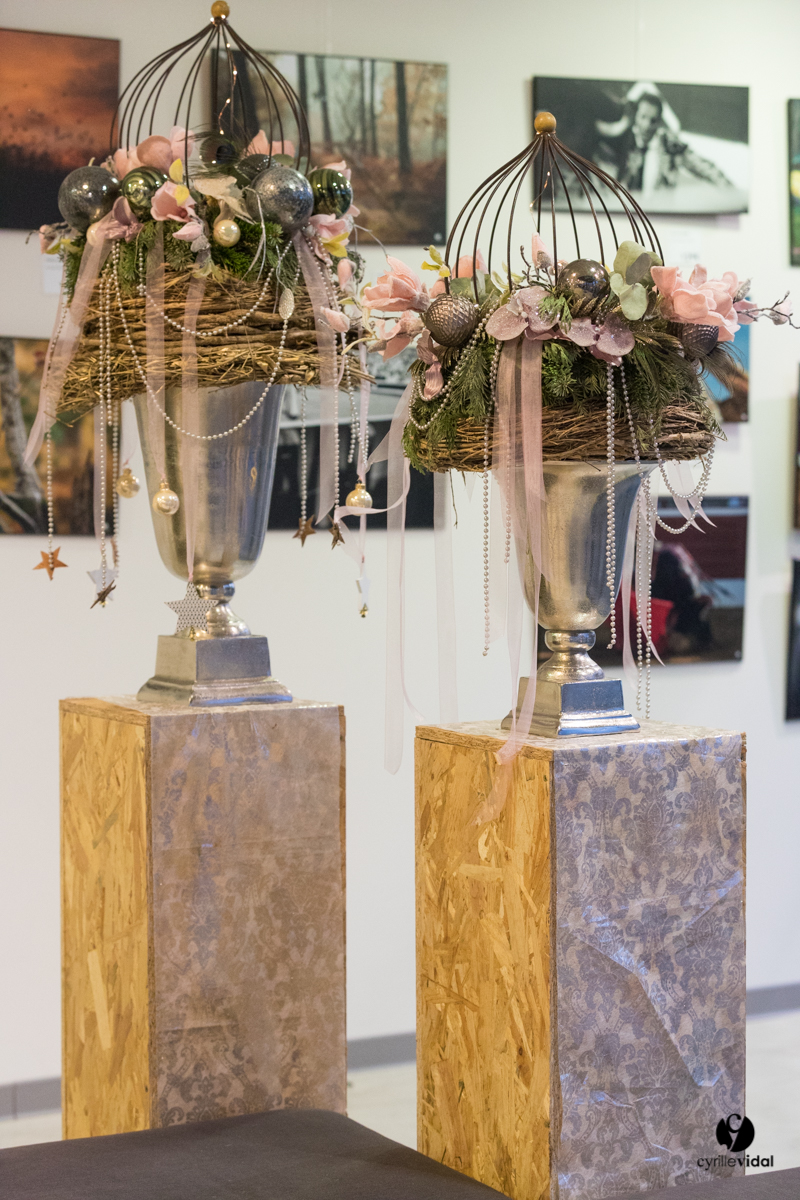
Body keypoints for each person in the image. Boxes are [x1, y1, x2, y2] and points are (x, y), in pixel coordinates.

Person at [594, 83, 733, 194]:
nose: (646, 125)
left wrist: (730, 190)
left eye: (653, 120)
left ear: (659, 122)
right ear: (635, 116)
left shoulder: (668, 144)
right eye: (643, 117)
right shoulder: (623, 140)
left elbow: (702, 166)